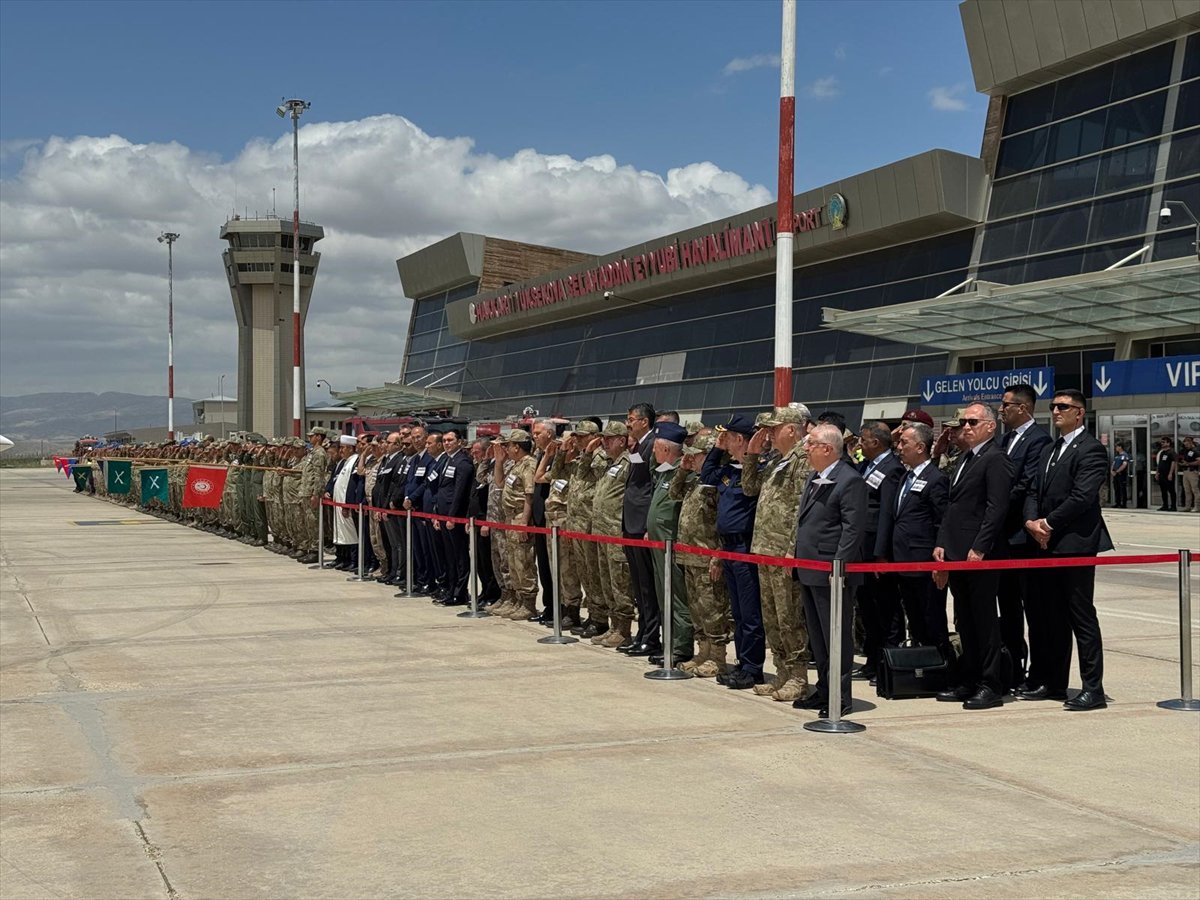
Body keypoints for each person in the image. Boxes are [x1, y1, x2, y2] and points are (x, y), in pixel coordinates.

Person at [1022, 389, 1112, 711]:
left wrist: (1047, 524)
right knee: (1050, 618)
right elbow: (1033, 489)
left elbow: (1082, 497)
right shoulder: (1050, 448)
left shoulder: (1091, 450)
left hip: (1074, 544)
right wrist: (1032, 522)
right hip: (1045, 544)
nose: (1056, 411)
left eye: (1063, 406)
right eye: (1053, 406)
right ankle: (1054, 682)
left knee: (1081, 616)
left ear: (1079, 413)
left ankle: (1093, 689)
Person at [933, 402, 1014, 711]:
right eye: (964, 422)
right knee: (964, 620)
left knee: (984, 621)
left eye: (973, 422)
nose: (965, 426)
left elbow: (996, 508)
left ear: (990, 426)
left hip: (980, 554)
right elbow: (953, 507)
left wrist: (980, 546)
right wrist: (942, 542)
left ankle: (991, 684)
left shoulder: (996, 459)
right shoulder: (965, 458)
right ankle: (969, 677)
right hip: (956, 552)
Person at [789, 424, 867, 718]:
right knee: (818, 637)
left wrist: (839, 566)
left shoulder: (849, 480)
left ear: (827, 448)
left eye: (810, 443)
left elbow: (852, 529)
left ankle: (840, 696)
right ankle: (823, 689)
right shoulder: (814, 477)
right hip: (809, 568)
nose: (806, 448)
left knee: (836, 636)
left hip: (832, 572)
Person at [741, 405, 813, 702]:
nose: (768, 433)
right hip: (764, 550)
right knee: (771, 617)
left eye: (774, 428)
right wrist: (752, 455)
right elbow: (749, 488)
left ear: (793, 430)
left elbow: (801, 509)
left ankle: (798, 676)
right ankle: (781, 672)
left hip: (783, 552)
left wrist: (791, 551)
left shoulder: (803, 460)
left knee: (789, 618)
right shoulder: (776, 460)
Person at [702, 414, 765, 690]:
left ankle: (753, 668)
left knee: (750, 614)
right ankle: (742, 662)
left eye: (726, 436)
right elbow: (706, 475)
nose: (723, 441)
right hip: (728, 547)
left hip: (744, 546)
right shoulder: (729, 470)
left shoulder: (756, 470)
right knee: (737, 612)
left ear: (740, 439)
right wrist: (716, 449)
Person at [875, 423, 950, 652]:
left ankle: (941, 670)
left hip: (924, 562)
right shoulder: (905, 477)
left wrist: (941, 560)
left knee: (932, 620)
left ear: (920, 447)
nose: (899, 447)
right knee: (915, 621)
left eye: (904, 443)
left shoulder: (936, 478)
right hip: (903, 561)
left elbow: (942, 521)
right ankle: (921, 670)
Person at [997, 382, 1053, 691]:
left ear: (1023, 408)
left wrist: (995, 509)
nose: (1001, 409)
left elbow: (1026, 485)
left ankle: (1039, 672)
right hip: (1003, 538)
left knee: (1034, 608)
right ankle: (1012, 667)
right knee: (1007, 607)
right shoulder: (1005, 439)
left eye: (1006, 404)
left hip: (1023, 538)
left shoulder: (1038, 440)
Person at [671, 433, 733, 677]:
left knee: (713, 609)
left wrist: (719, 554)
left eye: (695, 455)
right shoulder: (695, 480)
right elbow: (673, 494)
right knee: (696, 608)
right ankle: (703, 651)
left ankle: (717, 657)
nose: (691, 459)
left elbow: (722, 521)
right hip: (689, 556)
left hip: (707, 556)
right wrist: (683, 471)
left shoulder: (717, 482)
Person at [853, 420, 905, 684]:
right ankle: (873, 660)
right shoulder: (867, 466)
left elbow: (886, 513)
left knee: (885, 609)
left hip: (876, 551)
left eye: (863, 439)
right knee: (868, 610)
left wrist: (880, 553)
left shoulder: (891, 468)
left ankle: (888, 661)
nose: (860, 443)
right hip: (862, 550)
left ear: (875, 442)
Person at [645, 422, 692, 665]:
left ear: (665, 449)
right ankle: (669, 643)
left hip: (671, 544)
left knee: (676, 596)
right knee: (664, 595)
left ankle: (681, 647)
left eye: (655, 448)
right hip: (657, 544)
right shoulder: (664, 471)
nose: (653, 452)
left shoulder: (681, 473)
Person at [590, 421, 635, 648]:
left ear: (622, 440)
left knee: (620, 584)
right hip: (601, 532)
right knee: (606, 582)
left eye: (609, 439)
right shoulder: (609, 463)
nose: (604, 443)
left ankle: (624, 629)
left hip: (616, 532)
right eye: (603, 439)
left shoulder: (629, 462)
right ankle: (613, 625)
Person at [622, 403, 660, 656]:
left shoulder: (653, 444)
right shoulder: (639, 446)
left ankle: (651, 637)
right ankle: (642, 632)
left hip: (641, 524)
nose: (628, 424)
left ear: (644, 422)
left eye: (631, 419)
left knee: (647, 585)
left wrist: (648, 524)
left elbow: (654, 485)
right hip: (630, 523)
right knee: (638, 585)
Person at [434, 429, 473, 606]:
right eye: (444, 440)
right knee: (449, 556)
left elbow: (459, 493)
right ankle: (451, 589)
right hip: (442, 514)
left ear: (459, 441)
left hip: (454, 517)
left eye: (450, 440)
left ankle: (460, 592)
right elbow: (441, 489)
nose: (447, 443)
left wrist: (451, 517)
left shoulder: (462, 462)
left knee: (459, 557)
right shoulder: (446, 460)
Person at [1155, 436, 1177, 511]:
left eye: (1164, 442)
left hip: (1168, 474)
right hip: (1162, 474)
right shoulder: (1162, 453)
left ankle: (1173, 506)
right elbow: (1160, 463)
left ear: (1168, 443)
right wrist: (1157, 473)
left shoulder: (1171, 452)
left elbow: (1173, 463)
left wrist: (1170, 473)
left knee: (1171, 490)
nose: (1162, 443)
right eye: (1162, 442)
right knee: (1163, 491)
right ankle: (1165, 505)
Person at [1178, 436, 1199, 513]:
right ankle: (1188, 506)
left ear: (1191, 442)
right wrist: (1182, 463)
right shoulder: (1185, 451)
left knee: (1195, 490)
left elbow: (1198, 461)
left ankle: (1197, 506)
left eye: (1187, 443)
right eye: (1185, 443)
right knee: (1187, 490)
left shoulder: (1195, 451)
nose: (1186, 445)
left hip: (1193, 472)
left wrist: (1188, 464)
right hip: (1185, 472)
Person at [1110, 443, 1130, 509]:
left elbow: (1124, 465)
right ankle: (1117, 503)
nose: (1116, 448)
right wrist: (1112, 471)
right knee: (1116, 489)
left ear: (1120, 447)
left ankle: (1123, 503)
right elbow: (1113, 463)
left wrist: (1117, 471)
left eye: (1117, 447)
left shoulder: (1124, 455)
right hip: (1116, 475)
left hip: (1121, 475)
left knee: (1122, 489)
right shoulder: (1117, 456)